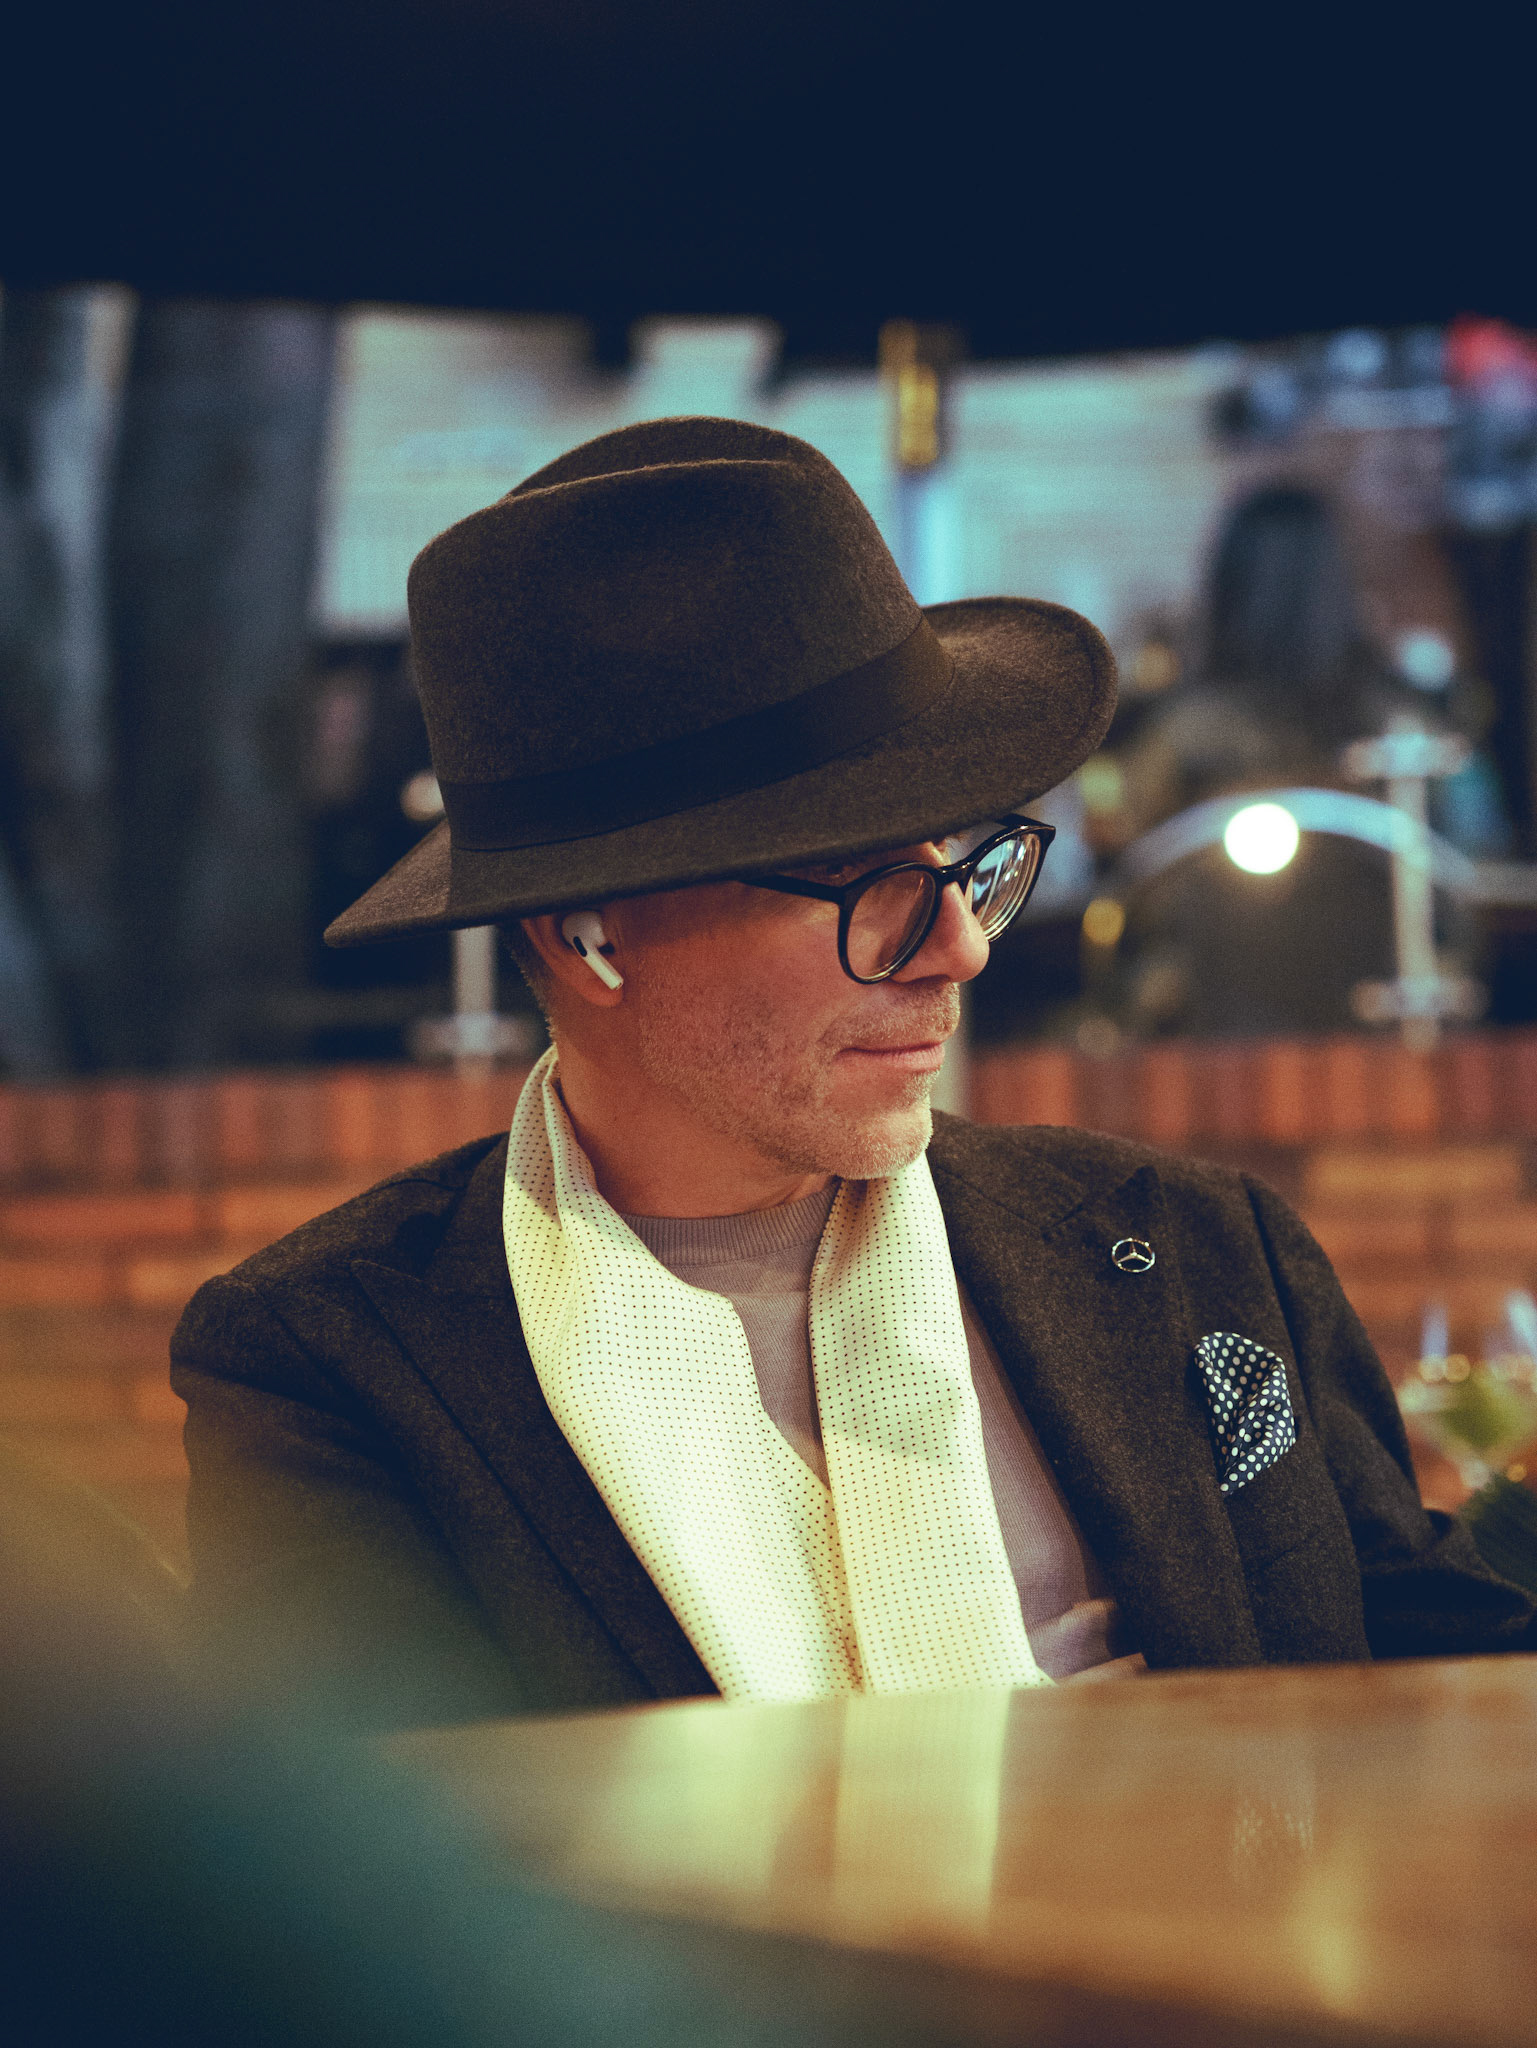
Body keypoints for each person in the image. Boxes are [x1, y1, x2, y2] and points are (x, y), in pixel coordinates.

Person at [172, 418, 1535, 1730]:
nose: (958, 947)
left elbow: (1430, 1662)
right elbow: (384, 1853)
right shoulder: (337, 1366)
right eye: (862, 882)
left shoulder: (1193, 1248)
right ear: (587, 937)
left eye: (960, 863)